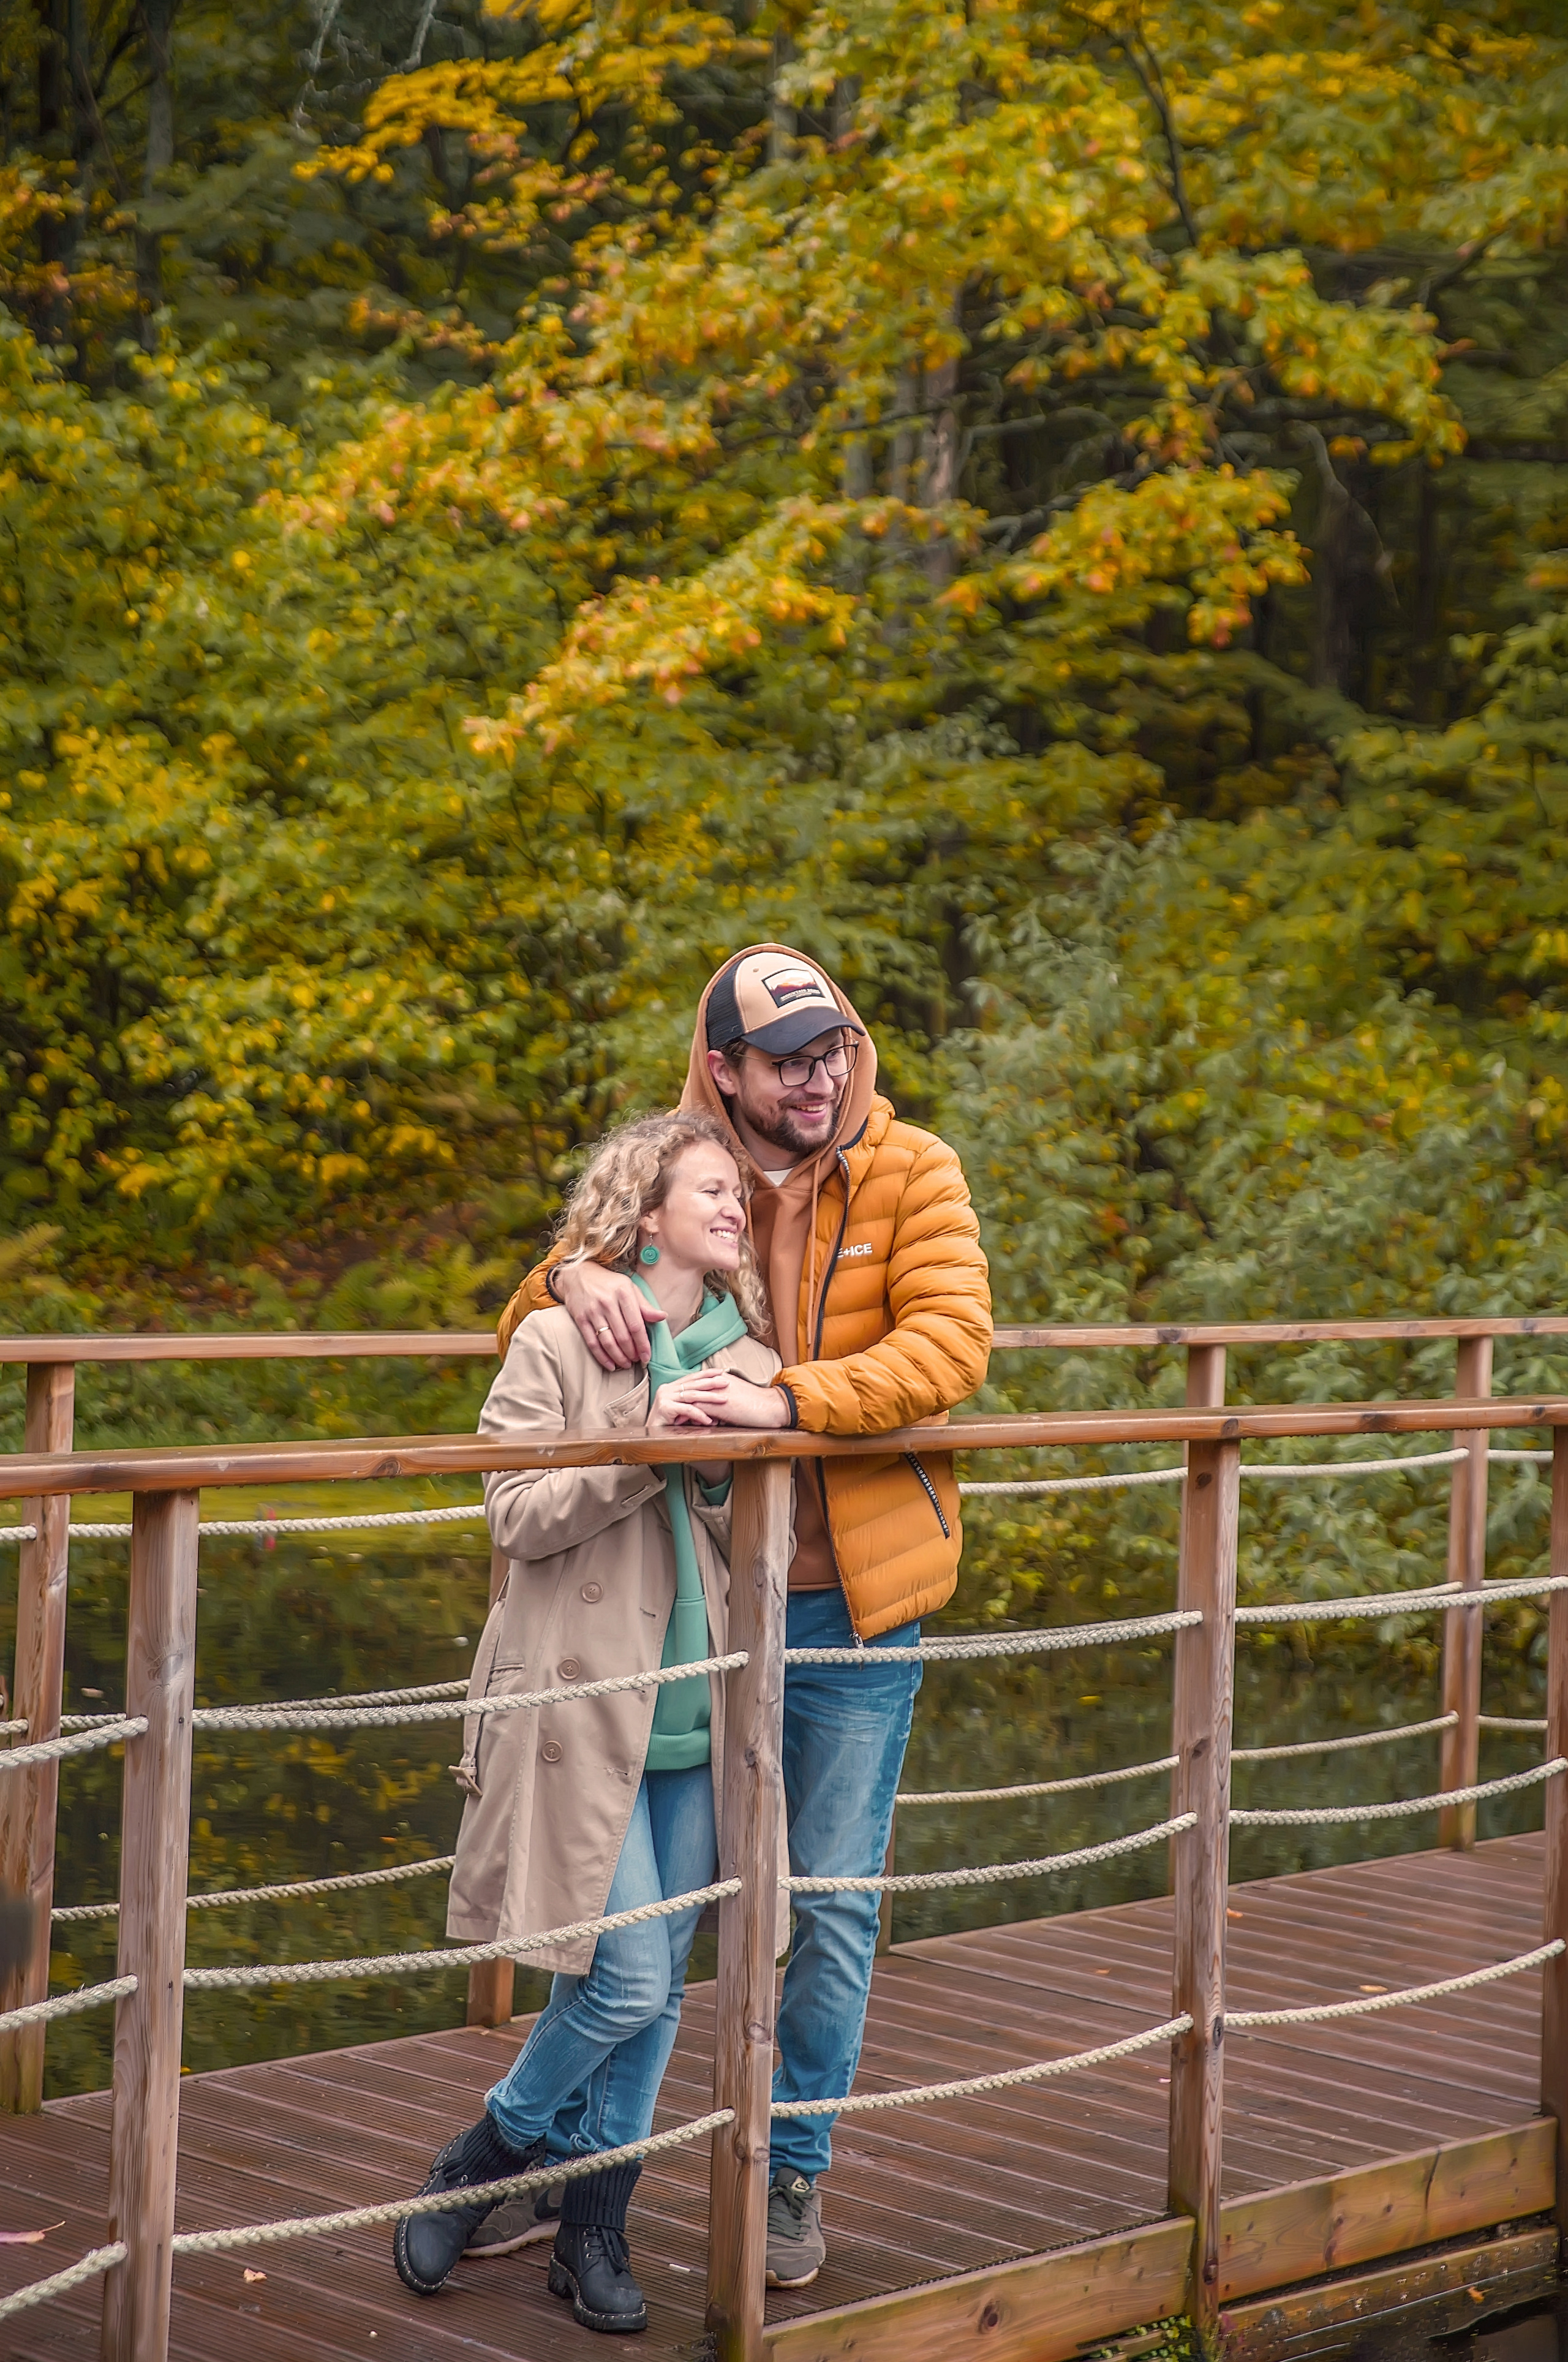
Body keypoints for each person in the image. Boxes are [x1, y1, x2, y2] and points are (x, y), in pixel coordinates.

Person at [496, 945, 992, 2290]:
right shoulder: (686, 1165)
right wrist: (568, 1280)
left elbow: (952, 1345)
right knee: (633, 1909)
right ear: (723, 1069)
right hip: (701, 1611)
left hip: (851, 1606)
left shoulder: (912, 1168)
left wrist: (792, 1399)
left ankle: (789, 2170)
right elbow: (545, 1295)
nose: (818, 1075)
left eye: (831, 1048)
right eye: (786, 1059)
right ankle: (555, 2164)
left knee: (823, 1904)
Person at [394, 1110, 788, 2333]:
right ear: (645, 1208)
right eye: (711, 1188)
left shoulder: (749, 1355)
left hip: (694, 1700)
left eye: (738, 1192)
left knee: (661, 1987)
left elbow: (736, 1535)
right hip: (581, 1697)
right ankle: (488, 2152)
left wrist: (741, 1435)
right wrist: (638, 1449)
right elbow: (511, 1513)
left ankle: (595, 2220)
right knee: (621, 1978)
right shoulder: (559, 1336)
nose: (733, 1206)